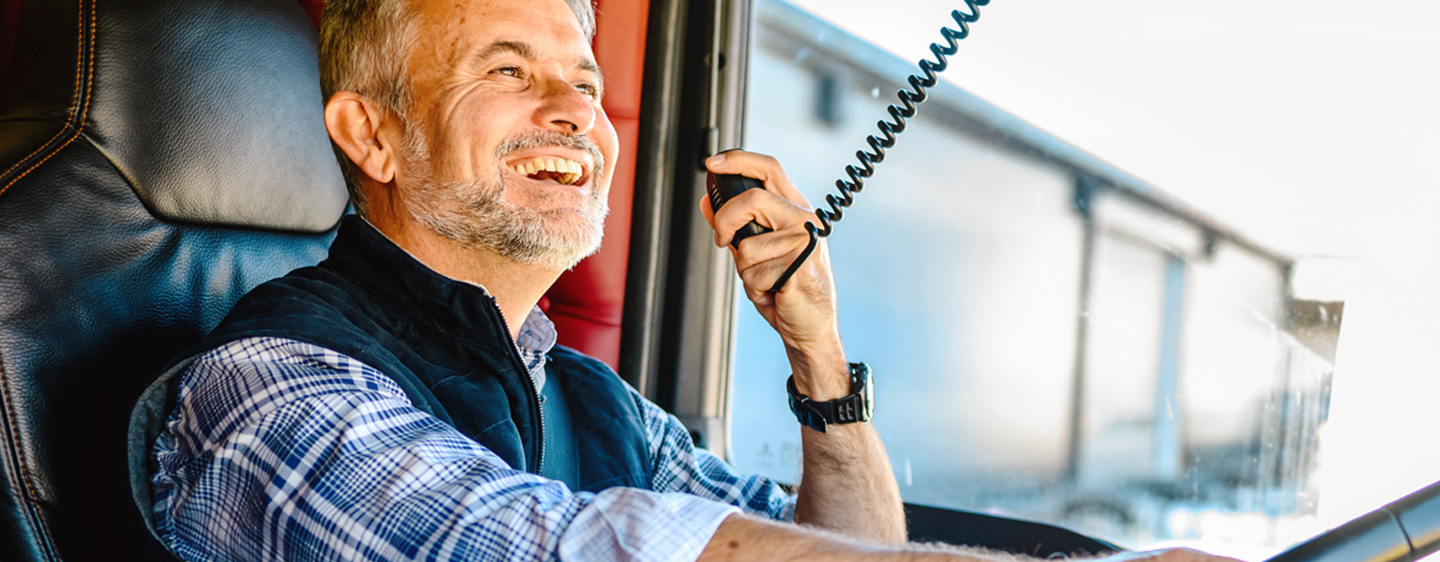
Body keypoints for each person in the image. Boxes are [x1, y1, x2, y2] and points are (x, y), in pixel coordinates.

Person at [136, 0, 1242, 560]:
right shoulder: (272, 392)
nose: (574, 109)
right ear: (371, 134)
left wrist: (813, 346)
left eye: (581, 77)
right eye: (507, 73)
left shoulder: (599, 407)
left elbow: (851, 554)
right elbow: (540, 547)